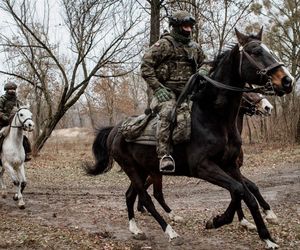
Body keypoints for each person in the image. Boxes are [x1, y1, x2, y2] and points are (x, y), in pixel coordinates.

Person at [141, 10, 205, 172]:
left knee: (195, 117)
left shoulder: (194, 47)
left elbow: (206, 63)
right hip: (166, 93)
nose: (189, 29)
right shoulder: (164, 45)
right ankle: (164, 156)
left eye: (190, 26)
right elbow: (146, 67)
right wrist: (157, 87)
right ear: (176, 26)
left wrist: (204, 70)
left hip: (188, 93)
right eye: (185, 26)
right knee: (168, 113)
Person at [0, 82, 32, 161]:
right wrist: (4, 117)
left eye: (14, 89)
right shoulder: (2, 99)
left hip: (15, 124)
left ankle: (27, 154)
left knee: (24, 138)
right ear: (6, 90)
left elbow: (21, 112)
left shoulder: (17, 101)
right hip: (2, 123)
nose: (12, 91)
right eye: (10, 89)